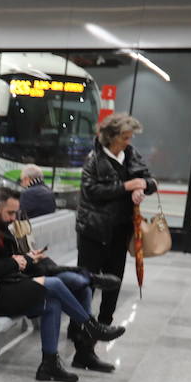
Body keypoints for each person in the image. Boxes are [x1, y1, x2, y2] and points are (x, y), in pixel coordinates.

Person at [0, 188, 123, 382]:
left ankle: (49, 365)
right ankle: (90, 326)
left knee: (52, 303)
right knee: (54, 284)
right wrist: (14, 263)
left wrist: (16, 261)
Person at [76, 113, 155, 326]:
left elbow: (149, 181)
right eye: (125, 138)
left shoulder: (131, 155)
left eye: (130, 138)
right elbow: (91, 190)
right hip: (93, 230)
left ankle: (104, 322)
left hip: (120, 229)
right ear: (111, 137)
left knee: (114, 278)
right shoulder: (94, 159)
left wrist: (142, 188)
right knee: (86, 280)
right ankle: (79, 324)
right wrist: (125, 187)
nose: (129, 142)